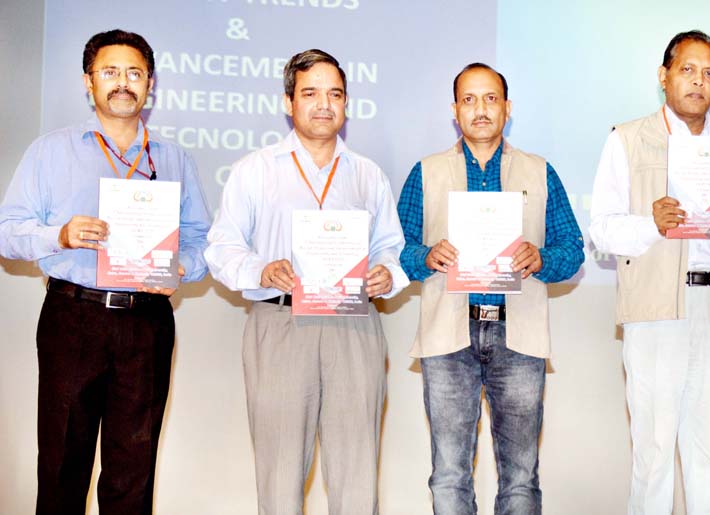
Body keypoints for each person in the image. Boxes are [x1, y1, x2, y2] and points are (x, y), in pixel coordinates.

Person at [0, 29, 211, 514]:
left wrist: (181, 266)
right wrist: (61, 235)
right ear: (88, 82)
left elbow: (201, 240)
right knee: (61, 464)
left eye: (134, 73)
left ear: (150, 85)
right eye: (110, 72)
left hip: (148, 321)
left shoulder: (175, 158)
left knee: (133, 470)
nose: (123, 83)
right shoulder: (50, 151)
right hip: (74, 317)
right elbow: (9, 230)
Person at [204, 49, 406, 514]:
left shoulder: (367, 175)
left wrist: (385, 275)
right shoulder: (256, 169)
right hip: (280, 323)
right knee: (279, 471)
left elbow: (390, 250)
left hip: (354, 327)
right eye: (310, 93)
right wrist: (260, 269)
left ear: (347, 103)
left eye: (335, 94)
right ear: (288, 101)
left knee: (357, 471)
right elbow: (222, 246)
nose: (323, 104)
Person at [589, 30, 710, 514]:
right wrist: (651, 224)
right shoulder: (628, 139)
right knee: (652, 456)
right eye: (688, 70)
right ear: (664, 76)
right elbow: (603, 231)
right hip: (656, 313)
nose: (700, 82)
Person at [397, 62, 584, 515]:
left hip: (518, 338)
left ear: (507, 108)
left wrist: (542, 258)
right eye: (469, 100)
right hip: (448, 338)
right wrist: (425, 256)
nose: (480, 110)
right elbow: (395, 250)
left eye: (490, 99)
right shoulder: (425, 172)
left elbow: (573, 249)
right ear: (454, 111)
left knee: (520, 478)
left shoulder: (541, 172)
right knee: (448, 475)